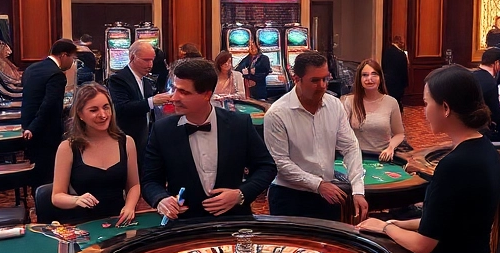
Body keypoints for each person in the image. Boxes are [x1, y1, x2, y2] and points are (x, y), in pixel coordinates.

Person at [357, 65, 500, 253]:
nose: (423, 111)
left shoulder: (455, 165)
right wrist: (395, 224)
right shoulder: (486, 151)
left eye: (426, 103)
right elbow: (450, 221)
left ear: (445, 108)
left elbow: (423, 245)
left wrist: (386, 226)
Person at [142, 58, 277, 221]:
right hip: (185, 224)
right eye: (174, 89)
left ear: (206, 95)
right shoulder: (162, 129)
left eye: (184, 92)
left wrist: (240, 194)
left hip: (233, 221)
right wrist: (161, 199)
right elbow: (150, 181)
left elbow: (266, 167)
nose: (174, 98)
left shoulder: (239, 124)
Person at [265, 51, 368, 221]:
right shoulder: (277, 113)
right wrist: (318, 185)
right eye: (314, 80)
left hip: (327, 193)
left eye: (325, 78)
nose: (322, 85)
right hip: (289, 196)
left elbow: (350, 147)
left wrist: (357, 190)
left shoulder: (334, 104)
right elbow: (281, 163)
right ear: (296, 79)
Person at [50, 83, 140, 225]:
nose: (103, 115)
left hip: (120, 221)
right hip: (84, 223)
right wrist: (76, 200)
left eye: (106, 107)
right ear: (80, 114)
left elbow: (134, 185)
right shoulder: (68, 147)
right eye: (93, 110)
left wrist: (129, 206)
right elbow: (57, 196)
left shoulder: (126, 142)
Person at [21, 39, 78, 186]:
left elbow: (29, 99)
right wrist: (34, 127)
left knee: (36, 173)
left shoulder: (31, 68)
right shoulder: (57, 75)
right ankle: (47, 205)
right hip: (45, 131)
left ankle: (38, 201)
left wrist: (29, 127)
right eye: (73, 57)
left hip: (28, 126)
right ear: (64, 55)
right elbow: (49, 105)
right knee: (48, 176)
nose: (72, 62)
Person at [107, 39, 171, 165]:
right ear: (132, 57)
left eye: (152, 60)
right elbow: (121, 108)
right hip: (127, 137)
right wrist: (152, 101)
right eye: (146, 60)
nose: (150, 64)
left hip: (145, 137)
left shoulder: (147, 82)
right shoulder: (118, 79)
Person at [343, 59, 406, 161]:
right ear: (359, 79)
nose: (369, 79)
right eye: (365, 75)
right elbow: (342, 132)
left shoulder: (391, 102)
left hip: (382, 157)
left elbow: (399, 134)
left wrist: (390, 148)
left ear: (380, 78)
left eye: (374, 74)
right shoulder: (349, 101)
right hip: (356, 157)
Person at [472, 47, 500, 141]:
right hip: (481, 128)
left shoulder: (472, 75)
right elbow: (495, 113)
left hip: (467, 123)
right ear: (496, 63)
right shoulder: (491, 82)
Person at [380, 35, 409, 103]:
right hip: (398, 82)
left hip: (387, 80)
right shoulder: (401, 54)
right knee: (397, 100)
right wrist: (406, 83)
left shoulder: (386, 51)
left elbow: (383, 65)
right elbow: (404, 71)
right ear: (400, 42)